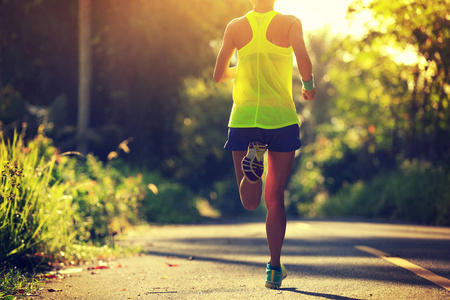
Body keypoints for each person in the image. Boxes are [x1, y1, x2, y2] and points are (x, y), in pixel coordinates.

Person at [213, 0, 316, 289]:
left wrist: (244, 64)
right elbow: (303, 59)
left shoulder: (235, 27)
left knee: (249, 202)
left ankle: (252, 166)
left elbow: (218, 75)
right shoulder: (291, 22)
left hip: (245, 120)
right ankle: (273, 267)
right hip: (280, 119)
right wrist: (308, 87)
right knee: (275, 198)